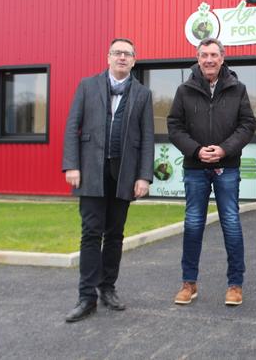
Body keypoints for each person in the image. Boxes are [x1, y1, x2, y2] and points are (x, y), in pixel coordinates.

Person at [62, 38, 154, 323]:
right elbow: (71, 127)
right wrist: (71, 165)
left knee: (115, 235)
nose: (122, 58)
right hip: (90, 172)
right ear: (108, 58)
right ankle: (86, 297)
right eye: (117, 53)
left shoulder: (142, 93)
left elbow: (147, 137)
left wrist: (143, 176)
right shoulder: (87, 86)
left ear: (134, 60)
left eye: (127, 54)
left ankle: (108, 288)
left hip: (124, 176)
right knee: (91, 233)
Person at [167, 37, 256, 306]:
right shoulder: (184, 90)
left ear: (222, 58)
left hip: (227, 167)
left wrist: (224, 150)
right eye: (204, 55)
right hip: (196, 168)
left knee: (231, 222)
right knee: (193, 223)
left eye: (214, 55)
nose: (209, 59)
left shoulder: (237, 88)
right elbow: (174, 126)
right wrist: (195, 150)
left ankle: (235, 284)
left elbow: (247, 125)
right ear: (198, 58)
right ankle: (189, 283)